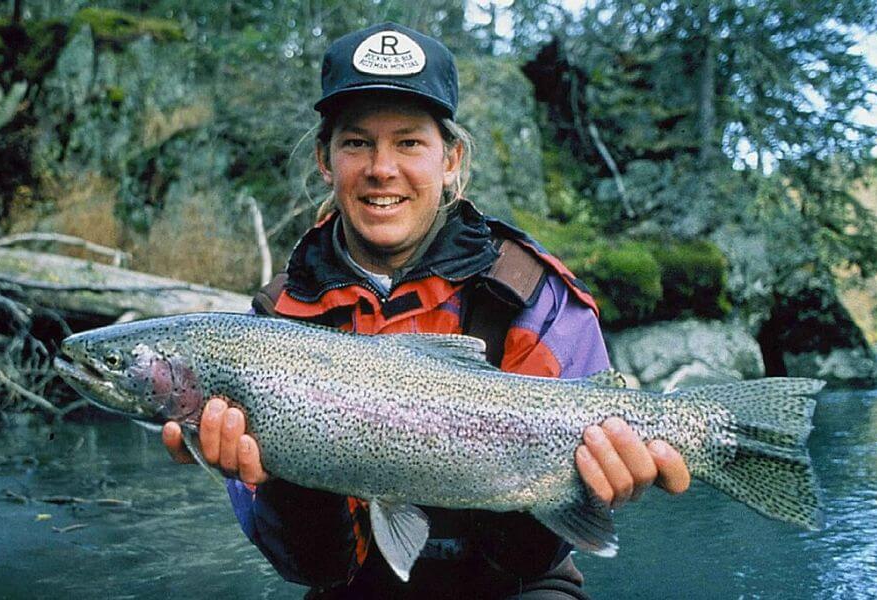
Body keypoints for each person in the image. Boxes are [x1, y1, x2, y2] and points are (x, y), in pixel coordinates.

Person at [163, 22, 690, 599]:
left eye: (409, 142)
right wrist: (285, 476)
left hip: (517, 584)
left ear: (450, 158)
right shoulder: (278, 319)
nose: (381, 169)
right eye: (356, 142)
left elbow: (533, 555)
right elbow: (306, 566)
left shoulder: (532, 296)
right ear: (324, 159)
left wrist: (591, 487)